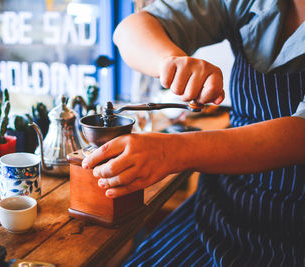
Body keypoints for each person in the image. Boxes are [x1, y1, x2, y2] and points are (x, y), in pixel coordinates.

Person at [81, 0, 305, 265]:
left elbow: (298, 135)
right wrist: (172, 63)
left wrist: (173, 150)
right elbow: (130, 29)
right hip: (224, 203)